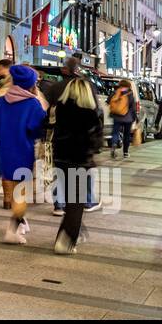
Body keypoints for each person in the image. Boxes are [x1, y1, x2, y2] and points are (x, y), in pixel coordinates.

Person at [0, 65, 48, 244]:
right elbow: (37, 129)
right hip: (23, 152)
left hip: (5, 154)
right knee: (21, 195)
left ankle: (21, 222)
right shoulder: (32, 104)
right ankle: (12, 230)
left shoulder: (2, 101)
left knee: (13, 191)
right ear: (30, 84)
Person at [49, 74, 105, 254]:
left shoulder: (60, 109)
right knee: (76, 202)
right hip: (79, 160)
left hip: (60, 159)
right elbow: (96, 140)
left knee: (71, 198)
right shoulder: (90, 113)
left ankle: (75, 232)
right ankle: (66, 239)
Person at [107, 79, 136, 159]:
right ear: (128, 86)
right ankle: (125, 152)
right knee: (126, 135)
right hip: (128, 117)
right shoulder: (130, 93)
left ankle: (113, 144)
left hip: (116, 116)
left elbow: (108, 100)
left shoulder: (116, 91)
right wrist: (134, 118)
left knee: (115, 133)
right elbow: (133, 107)